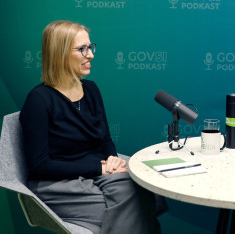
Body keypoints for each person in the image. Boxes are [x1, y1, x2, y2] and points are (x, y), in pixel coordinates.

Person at [20, 21, 167, 234]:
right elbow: (40, 165)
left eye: (90, 47)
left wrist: (112, 159)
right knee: (136, 203)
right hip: (57, 183)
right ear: (60, 54)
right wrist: (99, 168)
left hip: (95, 171)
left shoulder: (91, 89)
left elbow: (105, 139)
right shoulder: (39, 100)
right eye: (82, 49)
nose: (91, 55)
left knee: (142, 184)